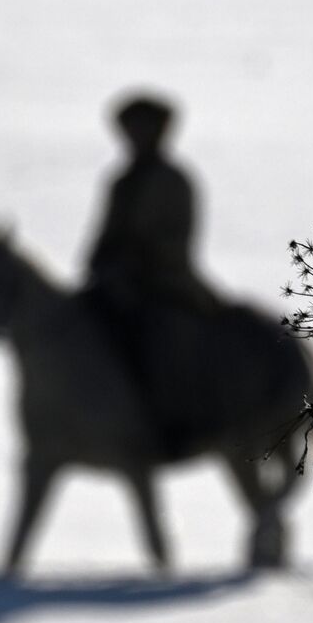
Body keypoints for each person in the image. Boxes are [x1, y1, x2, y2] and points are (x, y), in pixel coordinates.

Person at [84, 93, 221, 456]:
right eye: (130, 129)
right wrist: (98, 264)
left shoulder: (174, 180)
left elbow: (177, 238)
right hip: (115, 282)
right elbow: (105, 232)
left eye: (143, 128)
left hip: (167, 284)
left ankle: (174, 420)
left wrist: (139, 264)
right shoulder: (121, 180)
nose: (135, 136)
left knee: (163, 338)